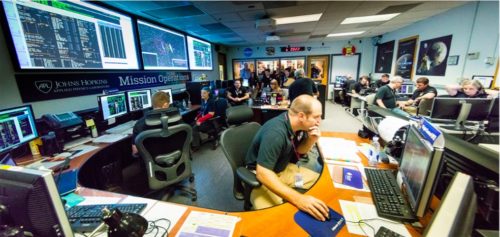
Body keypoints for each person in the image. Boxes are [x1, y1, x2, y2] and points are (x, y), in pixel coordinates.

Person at [245, 95, 329, 221]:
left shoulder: (297, 125)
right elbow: (262, 174)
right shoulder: (276, 133)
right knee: (277, 217)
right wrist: (299, 199)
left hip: (282, 169)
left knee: (322, 183)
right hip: (261, 178)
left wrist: (311, 140)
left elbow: (298, 153)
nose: (319, 121)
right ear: (301, 116)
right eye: (316, 117)